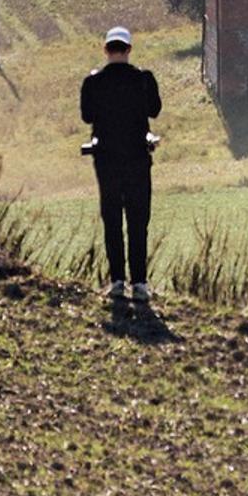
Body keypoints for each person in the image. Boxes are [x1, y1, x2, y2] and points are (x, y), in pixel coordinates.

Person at [80, 25, 161, 311]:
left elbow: (87, 115)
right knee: (138, 220)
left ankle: (116, 280)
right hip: (138, 159)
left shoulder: (93, 83)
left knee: (112, 219)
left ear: (106, 50)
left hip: (107, 160)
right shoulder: (143, 80)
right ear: (128, 50)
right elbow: (155, 110)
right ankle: (139, 283)